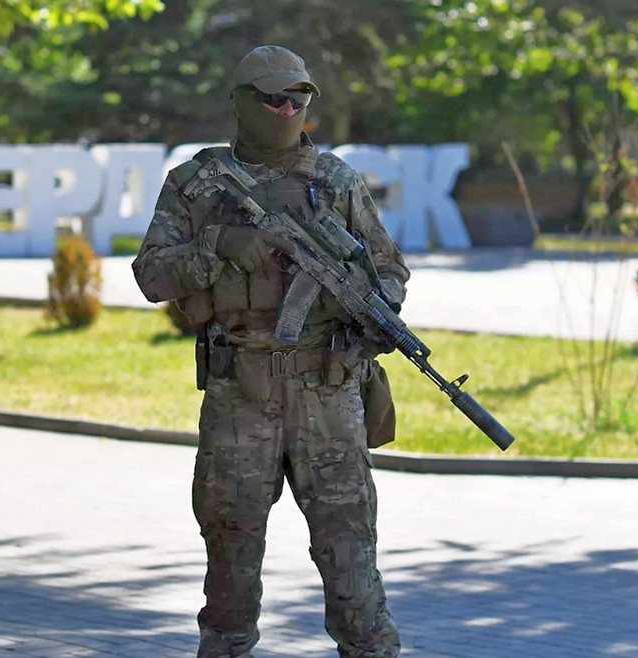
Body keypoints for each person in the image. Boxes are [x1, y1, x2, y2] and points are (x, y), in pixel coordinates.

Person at [131, 45, 408, 658]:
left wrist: (374, 311)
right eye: (273, 97)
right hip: (241, 396)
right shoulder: (197, 183)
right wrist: (222, 245)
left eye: (299, 97)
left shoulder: (336, 181)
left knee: (352, 565)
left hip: (329, 396)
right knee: (230, 568)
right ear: (240, 101)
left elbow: (390, 268)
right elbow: (151, 275)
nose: (288, 108)